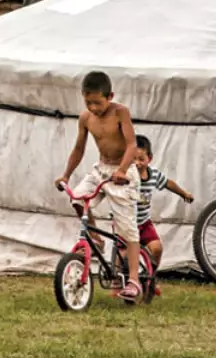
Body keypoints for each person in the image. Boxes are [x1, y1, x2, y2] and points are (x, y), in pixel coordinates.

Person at [54, 70, 144, 301]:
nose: (93, 107)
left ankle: (134, 279)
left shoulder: (120, 113)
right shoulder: (86, 118)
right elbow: (79, 149)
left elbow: (132, 145)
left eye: (97, 102)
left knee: (127, 228)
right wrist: (65, 175)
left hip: (123, 171)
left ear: (110, 96)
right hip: (100, 169)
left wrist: (123, 170)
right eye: (88, 102)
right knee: (77, 197)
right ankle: (95, 238)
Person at [133, 134, 193, 269]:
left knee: (157, 248)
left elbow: (168, 183)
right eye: (133, 159)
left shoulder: (153, 174)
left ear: (150, 158)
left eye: (141, 159)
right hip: (125, 222)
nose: (137, 163)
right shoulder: (127, 174)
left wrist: (183, 193)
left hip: (143, 222)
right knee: (124, 254)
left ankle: (150, 277)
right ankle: (116, 282)